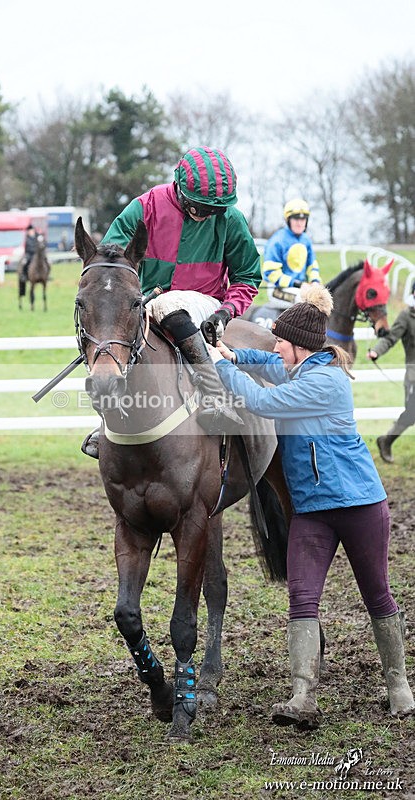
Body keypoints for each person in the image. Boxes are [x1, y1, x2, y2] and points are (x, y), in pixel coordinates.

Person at [208, 283, 414, 728]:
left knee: (376, 594)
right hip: (311, 511)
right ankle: (303, 696)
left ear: (299, 348)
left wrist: (217, 367)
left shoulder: (324, 383)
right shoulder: (300, 369)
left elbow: (261, 399)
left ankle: (398, 685)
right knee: (302, 599)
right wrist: (232, 354)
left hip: (360, 506)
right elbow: (266, 362)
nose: (275, 347)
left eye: (280, 341)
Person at [81, 146, 262, 458]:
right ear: (179, 187)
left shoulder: (231, 220)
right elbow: (108, 264)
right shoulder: (145, 207)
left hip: (205, 305)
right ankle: (108, 421)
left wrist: (226, 312)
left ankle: (215, 398)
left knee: (170, 303)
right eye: (199, 206)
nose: (206, 215)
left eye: (213, 210)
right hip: (149, 305)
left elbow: (247, 275)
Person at [367, 280, 415, 463]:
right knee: (411, 414)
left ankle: (386, 441)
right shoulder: (406, 316)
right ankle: (386, 441)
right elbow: (390, 338)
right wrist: (376, 351)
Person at [262, 199, 322, 309]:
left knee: (322, 297)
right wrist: (298, 284)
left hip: (302, 288)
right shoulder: (277, 240)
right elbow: (271, 273)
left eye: (303, 219)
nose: (300, 223)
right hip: (277, 289)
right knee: (305, 301)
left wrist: (315, 282)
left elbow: (312, 266)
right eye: (296, 219)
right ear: (288, 220)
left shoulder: (306, 240)